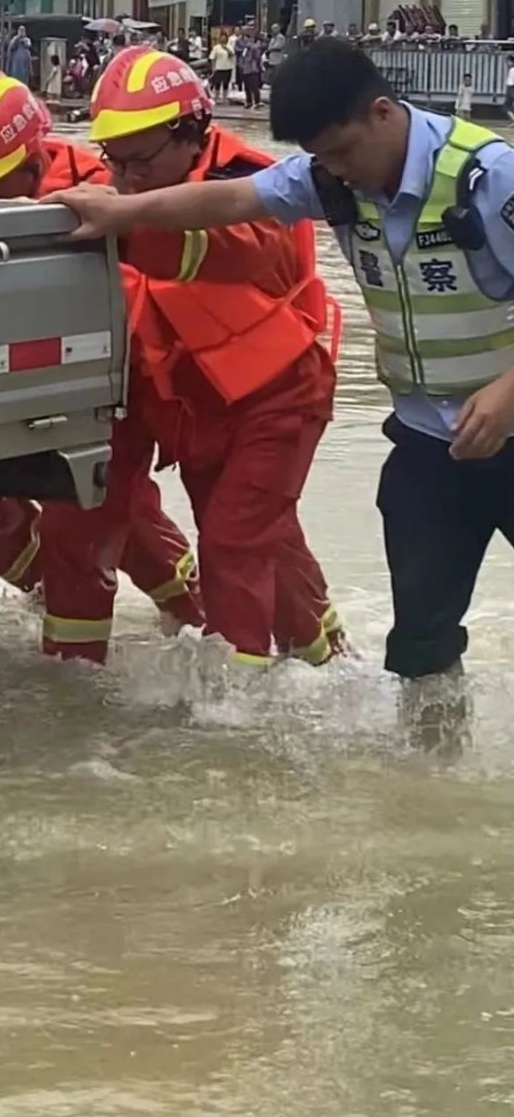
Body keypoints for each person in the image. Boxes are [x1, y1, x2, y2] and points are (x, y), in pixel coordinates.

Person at [50, 39, 514, 726]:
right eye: (322, 159)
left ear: (383, 113)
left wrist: (506, 394)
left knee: (239, 542)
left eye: (343, 152)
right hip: (428, 443)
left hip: (503, 425)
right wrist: (123, 212)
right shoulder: (329, 176)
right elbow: (233, 198)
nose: (336, 173)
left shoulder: (488, 175)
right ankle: (430, 765)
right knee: (421, 643)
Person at [0, 68, 205, 652]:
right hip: (8, 378)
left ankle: (192, 612)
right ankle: (45, 610)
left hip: (114, 379)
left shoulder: (101, 186)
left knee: (110, 513)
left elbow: (153, 267)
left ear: (32, 165)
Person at [46, 47, 342, 667]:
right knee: (78, 521)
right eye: (115, 160)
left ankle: (254, 691)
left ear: (192, 134)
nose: (127, 177)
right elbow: (38, 200)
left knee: (236, 542)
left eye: (141, 162)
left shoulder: (256, 183)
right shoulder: (115, 181)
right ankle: (68, 676)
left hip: (267, 400)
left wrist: (123, 220)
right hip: (167, 392)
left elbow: (230, 250)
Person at [210, 29, 234, 98]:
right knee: (217, 83)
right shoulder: (216, 47)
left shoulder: (229, 47)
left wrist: (226, 48)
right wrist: (213, 68)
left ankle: (225, 96)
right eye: (222, 37)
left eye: (225, 37)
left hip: (228, 68)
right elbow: (212, 58)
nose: (223, 39)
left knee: (226, 83)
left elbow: (232, 54)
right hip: (219, 68)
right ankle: (217, 96)